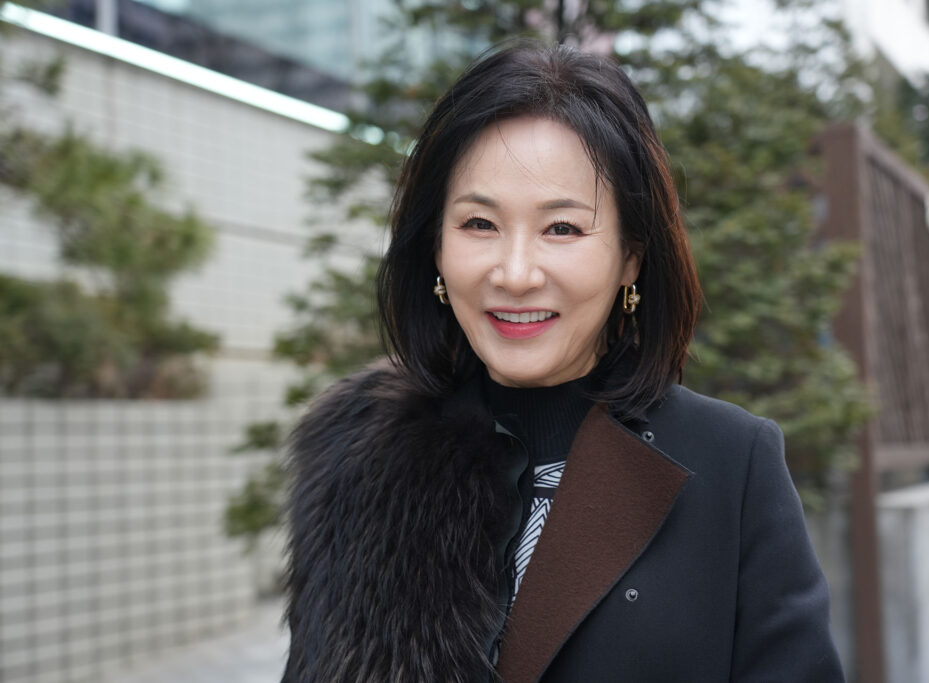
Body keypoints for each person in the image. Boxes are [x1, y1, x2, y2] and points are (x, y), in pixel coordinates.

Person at [282, 43, 844, 683]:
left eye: (562, 229)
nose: (515, 274)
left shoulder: (732, 463)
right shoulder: (357, 452)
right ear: (434, 245)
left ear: (631, 257)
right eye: (478, 223)